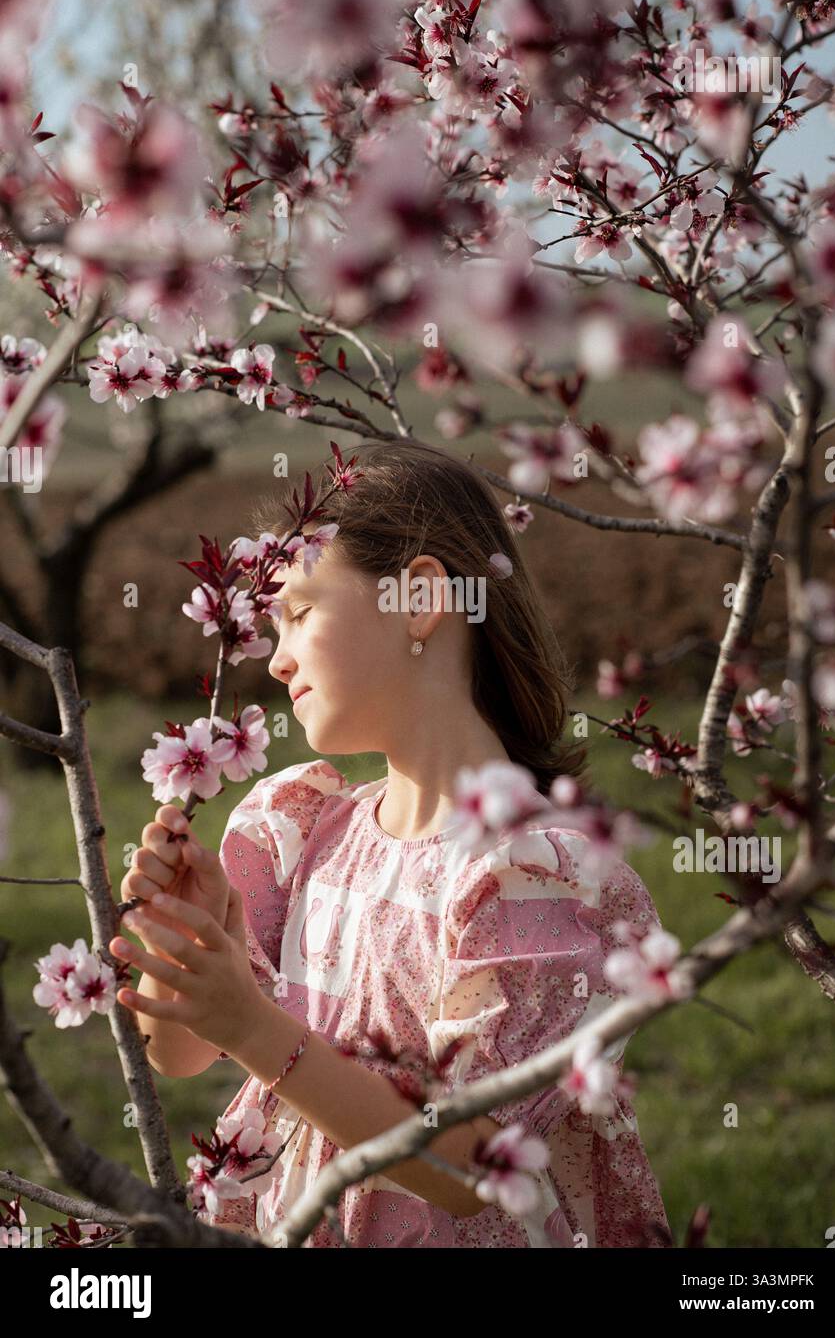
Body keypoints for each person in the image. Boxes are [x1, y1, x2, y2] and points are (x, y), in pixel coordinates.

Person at [112, 440, 673, 1248]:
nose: (275, 660)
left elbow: (475, 1165)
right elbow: (182, 1052)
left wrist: (255, 1027)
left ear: (419, 600)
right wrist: (192, 944)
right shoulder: (303, 830)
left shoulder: (532, 875)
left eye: (300, 613)